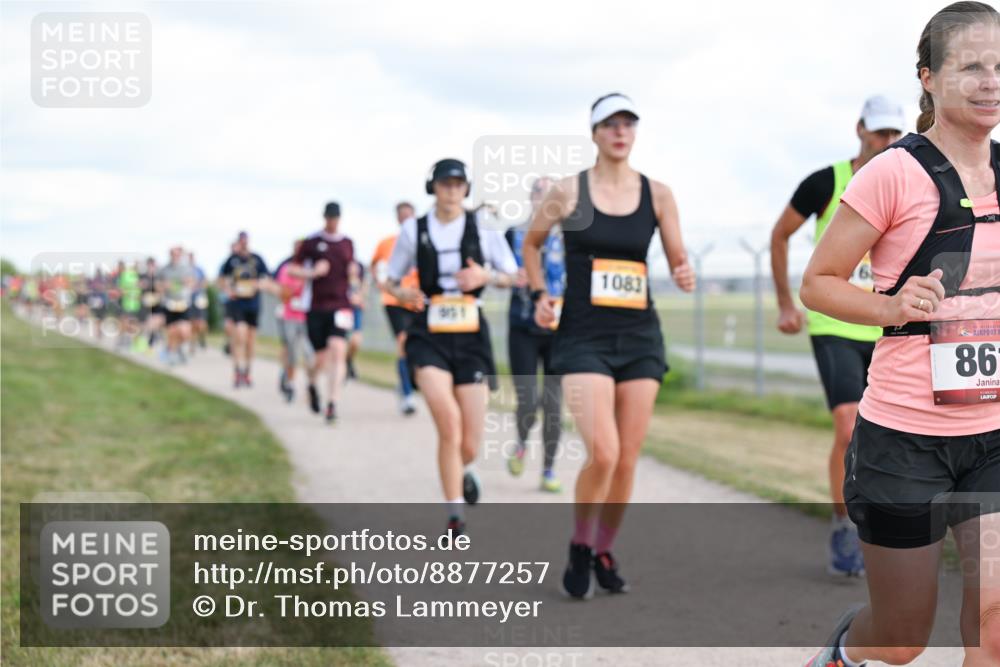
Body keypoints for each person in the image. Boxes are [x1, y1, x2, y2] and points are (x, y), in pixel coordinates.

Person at [801, 4, 1000, 665]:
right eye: (971, 65)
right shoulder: (893, 172)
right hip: (904, 440)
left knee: (993, 623)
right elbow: (820, 282)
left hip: (993, 437)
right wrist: (891, 304)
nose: (990, 80)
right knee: (901, 636)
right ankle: (842, 655)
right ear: (929, 78)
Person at [525, 93, 695, 599]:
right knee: (604, 450)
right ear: (595, 132)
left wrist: (684, 272)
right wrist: (539, 294)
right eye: (610, 124)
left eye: (629, 123)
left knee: (626, 458)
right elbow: (532, 245)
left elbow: (678, 257)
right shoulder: (568, 191)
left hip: (640, 337)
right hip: (582, 336)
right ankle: (579, 542)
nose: (620, 131)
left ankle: (603, 547)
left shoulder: (659, 194)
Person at [771, 95, 905, 576]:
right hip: (834, 324)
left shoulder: (909, 179)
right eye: (879, 133)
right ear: (860, 130)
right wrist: (787, 302)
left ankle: (887, 532)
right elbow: (780, 234)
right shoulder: (825, 182)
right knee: (848, 426)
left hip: (889, 325)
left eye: (894, 133)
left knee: (892, 436)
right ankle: (844, 526)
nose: (887, 142)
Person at [385, 158, 519, 535]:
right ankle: (455, 514)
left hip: (471, 333)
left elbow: (514, 275)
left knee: (470, 441)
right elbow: (391, 279)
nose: (452, 190)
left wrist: (485, 275)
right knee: (449, 423)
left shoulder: (483, 227)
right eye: (445, 183)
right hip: (428, 332)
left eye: (459, 183)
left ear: (467, 188)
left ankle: (466, 468)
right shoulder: (415, 230)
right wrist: (402, 292)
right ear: (434, 188)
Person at [506, 176, 566, 493]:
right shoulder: (514, 234)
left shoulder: (570, 239)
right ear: (530, 198)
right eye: (539, 194)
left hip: (559, 331)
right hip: (523, 327)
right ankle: (520, 442)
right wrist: (506, 276)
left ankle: (549, 468)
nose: (544, 201)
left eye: (550, 195)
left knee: (554, 404)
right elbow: (494, 270)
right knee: (528, 399)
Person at [291, 202, 355, 422]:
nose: (332, 221)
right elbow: (292, 269)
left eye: (335, 218)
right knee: (320, 358)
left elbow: (352, 274)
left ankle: (332, 404)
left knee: (338, 350)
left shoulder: (347, 244)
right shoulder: (312, 242)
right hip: (317, 307)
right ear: (324, 218)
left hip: (341, 305)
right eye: (329, 218)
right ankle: (311, 383)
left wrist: (355, 281)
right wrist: (311, 273)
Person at [371, 201, 421, 415]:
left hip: (417, 301)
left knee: (417, 347)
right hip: (394, 301)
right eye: (403, 216)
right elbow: (375, 266)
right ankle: (408, 394)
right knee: (403, 341)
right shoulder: (387, 243)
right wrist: (382, 283)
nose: (406, 219)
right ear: (398, 218)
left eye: (410, 215)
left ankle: (405, 383)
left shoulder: (423, 242)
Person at [218, 232, 269, 387]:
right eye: (241, 242)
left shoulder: (257, 259)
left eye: (245, 241)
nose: (243, 244)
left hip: (253, 305)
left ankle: (247, 371)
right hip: (237, 304)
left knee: (250, 341)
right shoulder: (231, 260)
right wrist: (228, 290)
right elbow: (221, 279)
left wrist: (258, 285)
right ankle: (237, 370)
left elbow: (266, 278)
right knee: (239, 335)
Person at [272, 239, 316, 403]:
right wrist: (293, 291)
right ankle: (289, 382)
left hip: (307, 317)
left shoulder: (312, 268)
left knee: (310, 354)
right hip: (289, 316)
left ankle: (310, 387)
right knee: (291, 352)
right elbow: (282, 292)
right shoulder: (287, 269)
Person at [157, 246, 197, 366]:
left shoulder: (187, 269)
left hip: (183, 303)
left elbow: (193, 283)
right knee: (172, 331)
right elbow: (158, 286)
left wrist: (187, 283)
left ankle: (179, 348)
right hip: (169, 303)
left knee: (185, 331)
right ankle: (172, 354)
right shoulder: (164, 269)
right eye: (173, 254)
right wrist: (164, 286)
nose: (175, 256)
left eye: (177, 254)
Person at [346, 260, 367, 381]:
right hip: (343, 310)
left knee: (356, 341)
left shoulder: (360, 276)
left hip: (355, 311)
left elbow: (363, 293)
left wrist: (360, 299)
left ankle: (348, 360)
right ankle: (342, 366)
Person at [188, 252, 209, 354]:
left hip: (200, 299)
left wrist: (198, 285)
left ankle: (202, 337)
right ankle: (192, 346)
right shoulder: (185, 270)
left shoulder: (199, 270)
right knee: (192, 324)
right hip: (189, 300)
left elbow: (205, 282)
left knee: (201, 323)